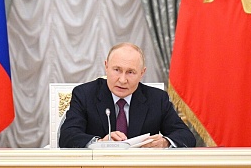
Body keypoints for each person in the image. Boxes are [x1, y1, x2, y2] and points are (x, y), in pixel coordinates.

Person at [58, 42, 195, 148]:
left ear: (142, 73)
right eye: (117, 70)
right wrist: (100, 143)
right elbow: (67, 136)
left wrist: (165, 142)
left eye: (130, 72)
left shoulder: (157, 99)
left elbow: (186, 136)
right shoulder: (84, 94)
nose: (122, 80)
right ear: (106, 66)